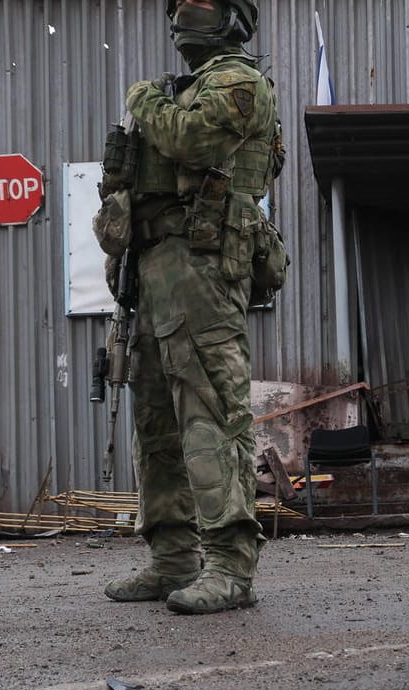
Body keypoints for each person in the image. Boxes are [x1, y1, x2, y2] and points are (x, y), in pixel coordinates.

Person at [100, 0, 284, 614]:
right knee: (155, 422)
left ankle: (231, 565)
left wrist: (143, 101)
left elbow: (191, 137)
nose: (184, 16)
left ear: (233, 18)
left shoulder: (237, 80)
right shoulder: (180, 90)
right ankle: (172, 557)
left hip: (203, 264)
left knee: (209, 409)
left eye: (199, 5)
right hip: (151, 267)